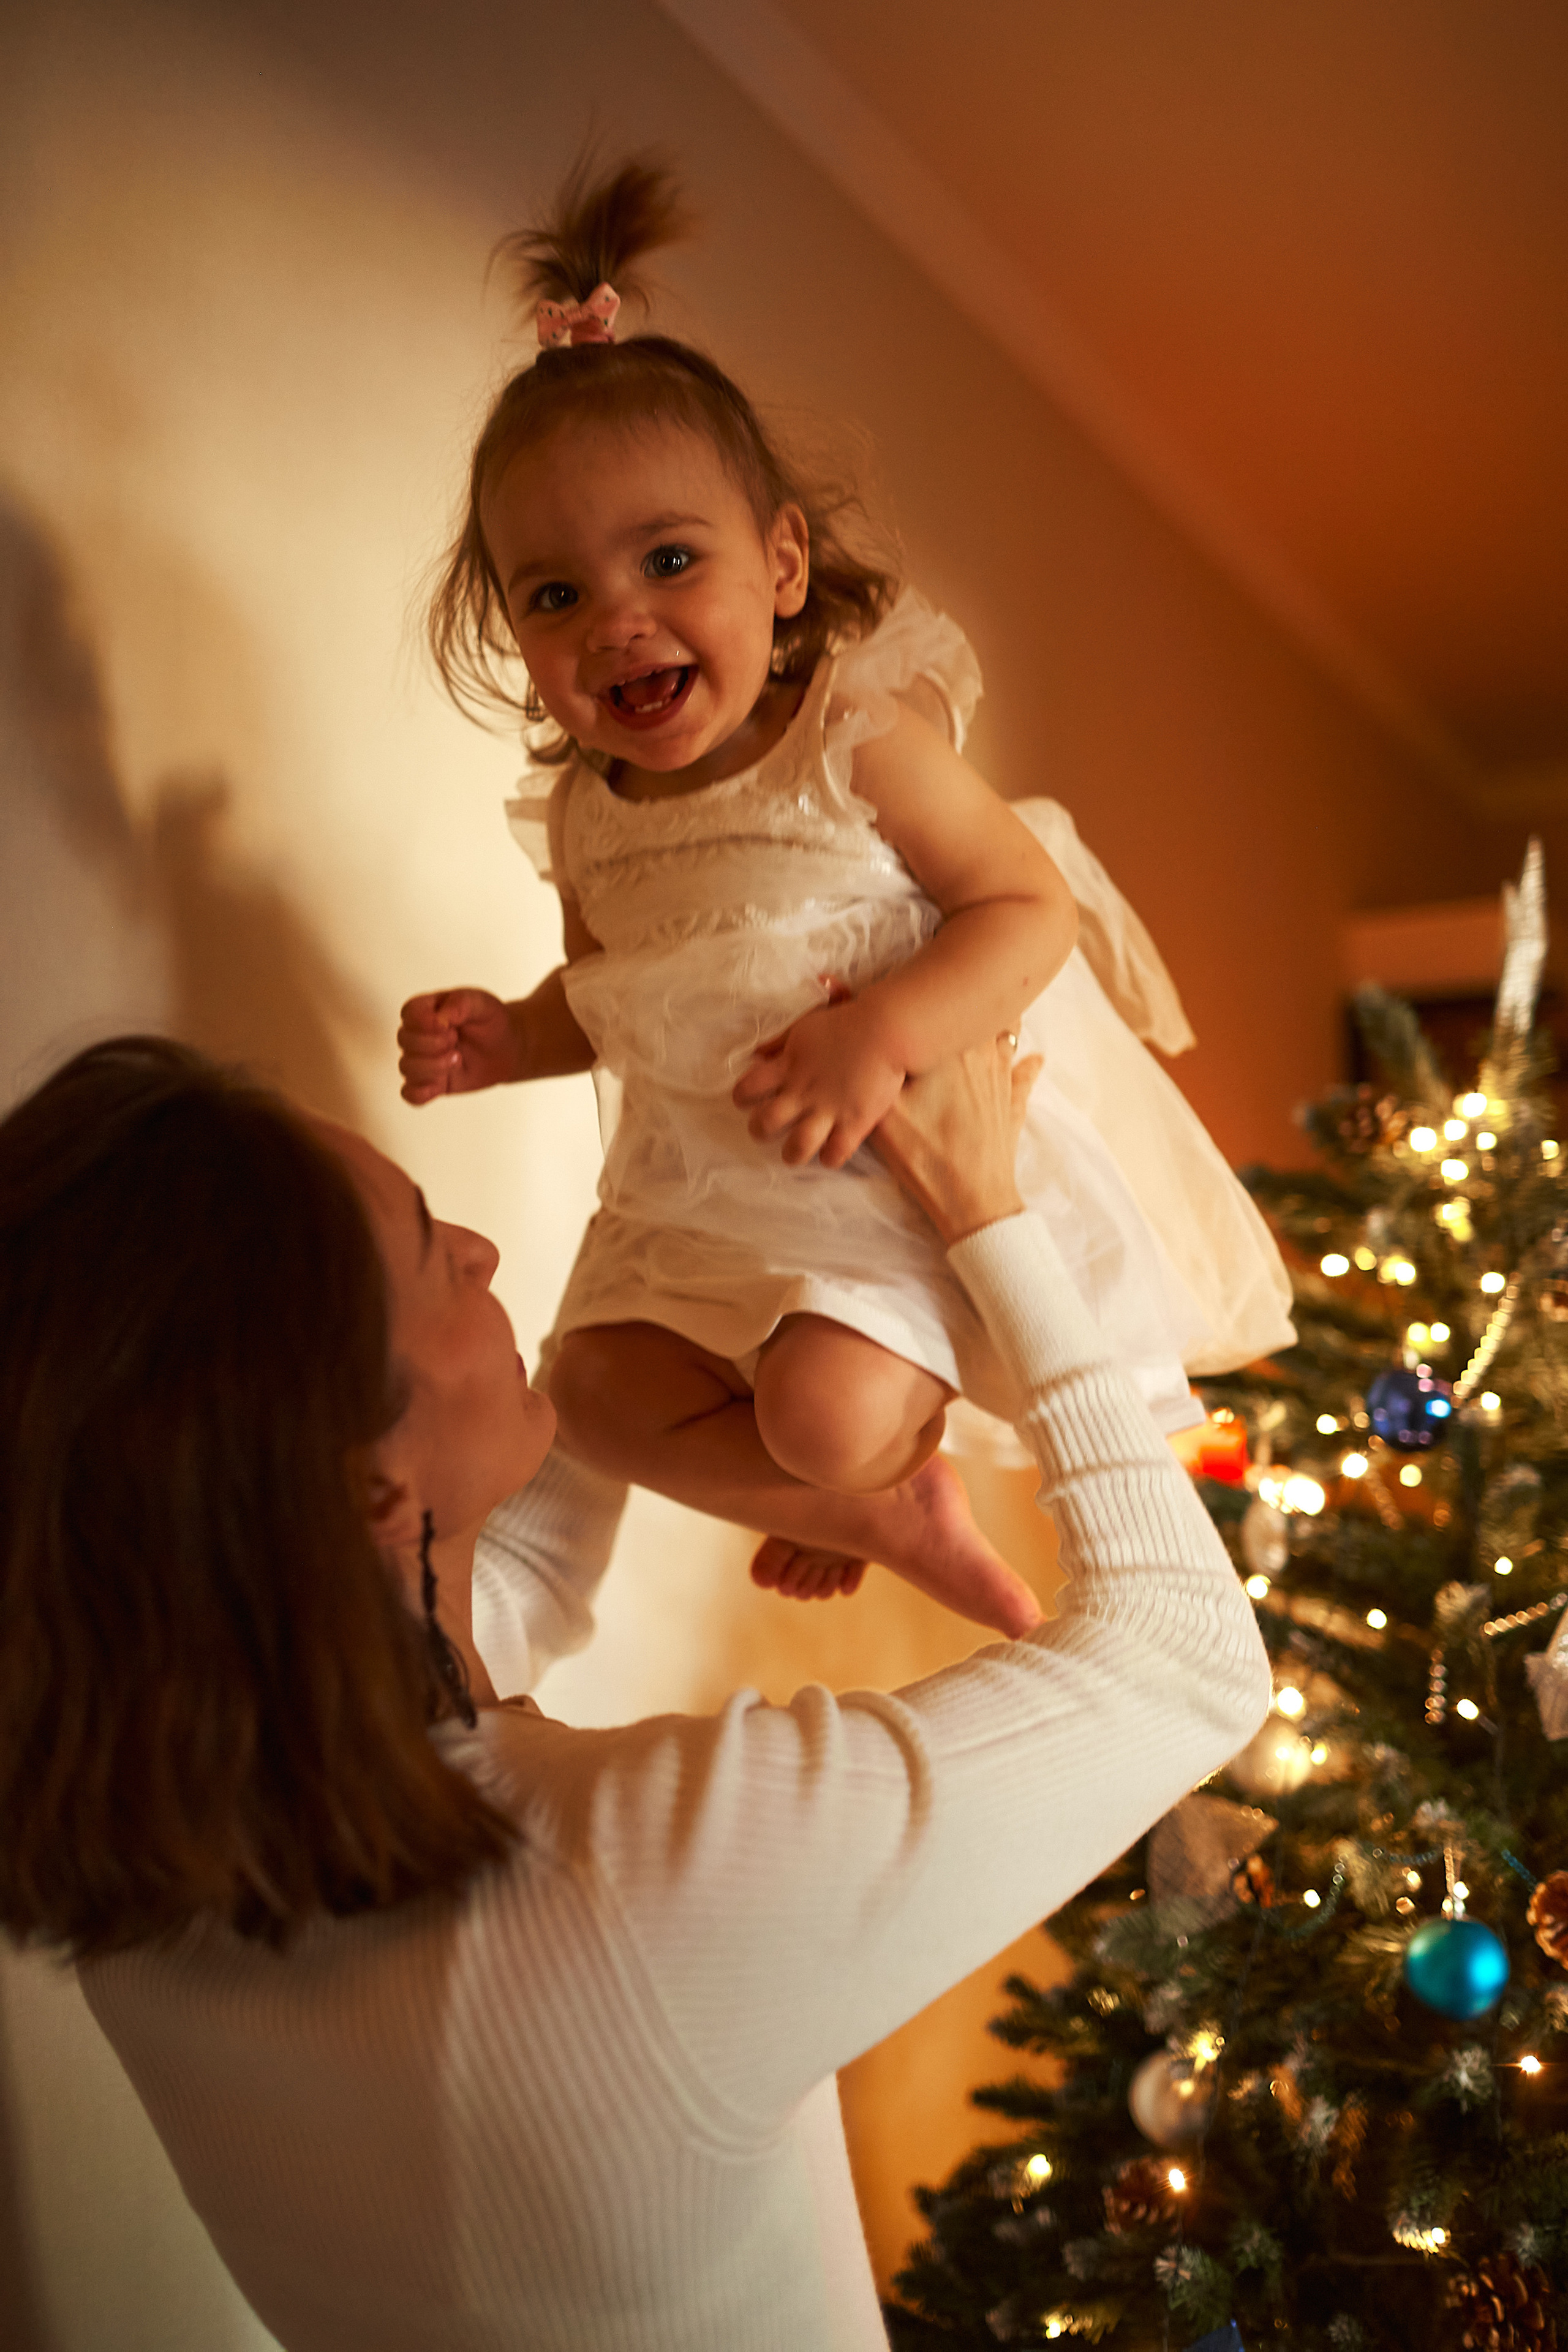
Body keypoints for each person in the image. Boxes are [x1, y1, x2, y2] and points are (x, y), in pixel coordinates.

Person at [0, 1028, 1270, 2352]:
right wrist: (984, 1209)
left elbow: (526, 1555)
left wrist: (678, 1141)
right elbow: (1184, 1652)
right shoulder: (623, 1891)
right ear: (365, 1484)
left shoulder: (150, 1857)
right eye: (433, 1247)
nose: (482, 1253)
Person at [398, 159, 1295, 1639]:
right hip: (692, 1199)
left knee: (818, 1409)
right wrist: (510, 1036)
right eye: (552, 597)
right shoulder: (584, 815)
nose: (615, 621)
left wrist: (881, 1034)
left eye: (667, 560)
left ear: (783, 563)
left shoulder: (855, 739)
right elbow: (613, 995)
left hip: (875, 1182)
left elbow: (1023, 907)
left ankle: (868, 1464)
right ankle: (871, 1512)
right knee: (590, 1401)